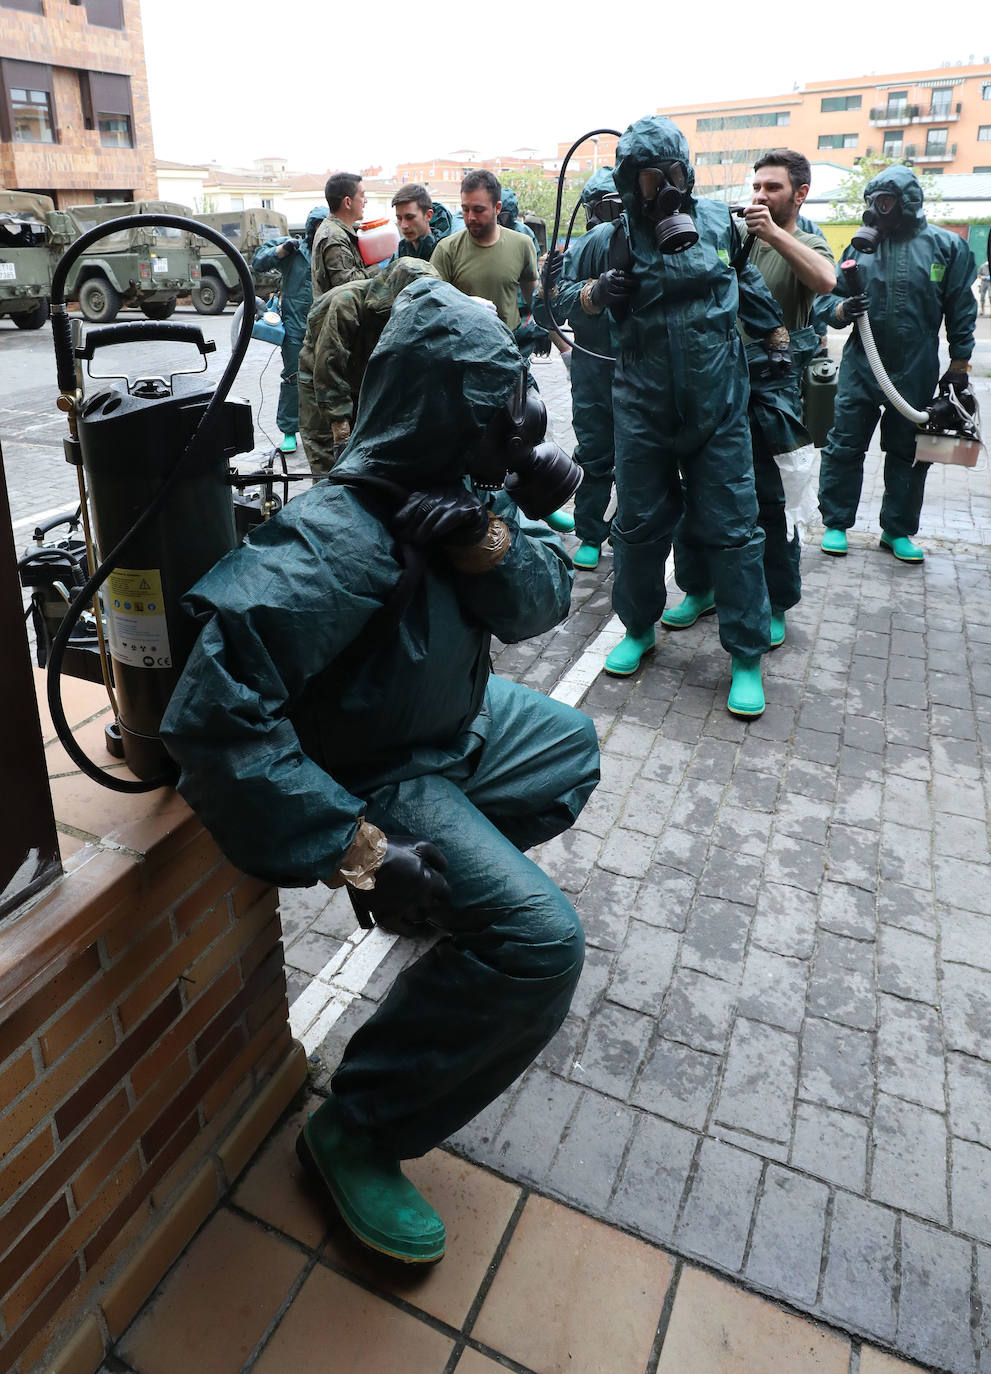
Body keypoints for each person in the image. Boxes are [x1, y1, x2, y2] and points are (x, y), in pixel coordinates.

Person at [160, 277, 597, 1266]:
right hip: (382, 771)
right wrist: (359, 855)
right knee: (541, 944)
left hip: (454, 724)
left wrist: (488, 539)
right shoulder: (335, 541)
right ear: (448, 412)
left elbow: (538, 609)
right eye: (497, 415)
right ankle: (356, 1129)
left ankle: (443, 907)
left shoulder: (465, 493)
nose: (515, 434)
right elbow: (213, 728)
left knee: (568, 749)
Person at [594, 115, 787, 719]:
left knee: (735, 527)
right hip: (642, 411)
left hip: (718, 408)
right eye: (648, 178)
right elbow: (557, 297)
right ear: (629, 181)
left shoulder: (718, 226)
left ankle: (747, 656)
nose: (662, 188)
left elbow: (748, 286)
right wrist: (598, 293)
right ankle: (638, 628)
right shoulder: (611, 236)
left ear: (688, 171)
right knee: (639, 526)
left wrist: (780, 348)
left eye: (671, 174)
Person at [663, 149, 835, 649]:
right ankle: (701, 588)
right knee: (697, 490)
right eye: (756, 187)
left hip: (771, 394)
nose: (759, 196)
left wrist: (774, 234)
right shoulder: (733, 239)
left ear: (799, 194)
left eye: (772, 188)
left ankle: (775, 601)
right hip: (714, 386)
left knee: (769, 501)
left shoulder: (803, 241)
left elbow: (826, 281)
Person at [818, 164, 977, 563]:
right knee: (844, 445)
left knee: (909, 450)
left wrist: (960, 364)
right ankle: (836, 523)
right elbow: (826, 299)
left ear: (907, 204)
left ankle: (897, 530)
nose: (877, 210)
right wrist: (841, 309)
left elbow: (961, 307)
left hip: (916, 366)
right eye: (872, 203)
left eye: (885, 203)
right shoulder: (860, 248)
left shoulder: (946, 246)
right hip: (861, 363)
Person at [433, 170, 574, 535]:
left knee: (526, 429)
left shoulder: (520, 245)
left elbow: (535, 300)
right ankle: (472, 516)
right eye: (464, 209)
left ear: (497, 207)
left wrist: (554, 326)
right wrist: (465, 304)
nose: (470, 218)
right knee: (470, 443)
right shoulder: (448, 250)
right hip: (463, 362)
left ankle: (539, 506)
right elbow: (429, 303)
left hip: (510, 359)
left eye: (478, 209)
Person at [534, 168, 623, 569]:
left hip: (639, 365)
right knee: (594, 452)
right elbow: (543, 312)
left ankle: (629, 530)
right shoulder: (579, 251)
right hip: (592, 367)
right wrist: (547, 285)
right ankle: (591, 532)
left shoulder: (643, 244)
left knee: (640, 455)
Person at [298, 257, 438, 477]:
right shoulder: (347, 303)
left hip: (361, 378)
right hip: (321, 384)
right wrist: (340, 425)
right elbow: (328, 367)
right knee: (330, 465)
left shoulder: (411, 309)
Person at [251, 207, 326, 454]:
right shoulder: (293, 248)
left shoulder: (334, 249)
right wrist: (280, 251)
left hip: (327, 321)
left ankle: (324, 429)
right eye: (317, 225)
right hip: (295, 323)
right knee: (294, 377)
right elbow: (258, 261)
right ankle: (289, 430)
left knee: (328, 376)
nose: (320, 230)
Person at [311, 172, 373, 295]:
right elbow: (347, 284)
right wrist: (380, 268)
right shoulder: (334, 236)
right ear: (348, 202)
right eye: (362, 195)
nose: (365, 201)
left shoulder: (339, 231)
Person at [391, 183, 453, 261]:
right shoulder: (401, 251)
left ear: (428, 215)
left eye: (410, 217)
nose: (403, 225)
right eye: (399, 218)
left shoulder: (446, 253)